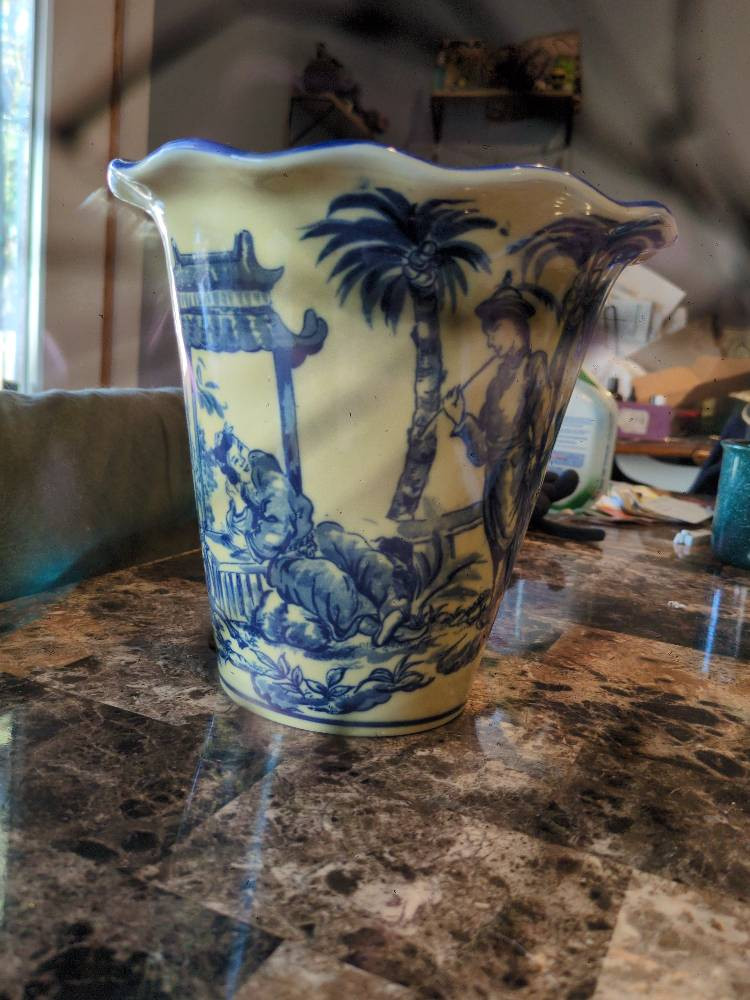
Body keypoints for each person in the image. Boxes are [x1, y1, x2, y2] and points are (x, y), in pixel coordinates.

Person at [211, 426, 418, 649]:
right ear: (230, 469)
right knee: (327, 579)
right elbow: (240, 535)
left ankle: (394, 602)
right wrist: (239, 507)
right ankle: (372, 624)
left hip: (312, 536)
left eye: (241, 449)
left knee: (356, 551)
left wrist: (259, 539)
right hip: (285, 559)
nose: (243, 459)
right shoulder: (240, 493)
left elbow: (281, 513)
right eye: (236, 459)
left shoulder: (265, 471)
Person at [442, 276, 554, 592]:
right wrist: (461, 417)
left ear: (512, 327)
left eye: (492, 331)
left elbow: (542, 431)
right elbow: (482, 452)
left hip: (515, 477)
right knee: (495, 545)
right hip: (494, 479)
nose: (489, 341)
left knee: (504, 544)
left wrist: (531, 476)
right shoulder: (495, 383)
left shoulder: (535, 366)